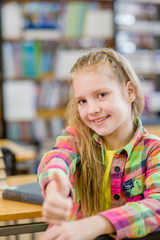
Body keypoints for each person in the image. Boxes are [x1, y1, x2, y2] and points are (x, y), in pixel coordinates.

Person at [37, 48, 160, 240]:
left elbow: (157, 205)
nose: (92, 109)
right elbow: (56, 158)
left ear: (129, 92)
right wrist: (54, 186)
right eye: (82, 101)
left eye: (101, 94)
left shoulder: (153, 150)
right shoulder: (76, 137)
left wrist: (95, 225)